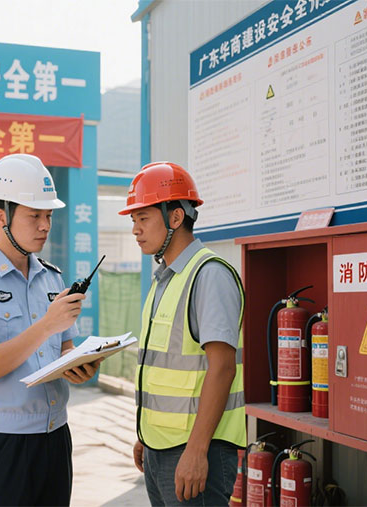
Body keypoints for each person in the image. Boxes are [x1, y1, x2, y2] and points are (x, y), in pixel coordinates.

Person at [0, 154, 99, 507]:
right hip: (1, 446)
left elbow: (63, 350)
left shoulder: (52, 276)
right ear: (2, 217)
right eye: (34, 215)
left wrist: (80, 365)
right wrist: (46, 325)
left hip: (55, 438)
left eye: (48, 215)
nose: (45, 225)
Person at [119, 162, 245, 506]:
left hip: (197, 453)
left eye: (143, 219)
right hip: (161, 450)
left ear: (176, 218)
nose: (135, 230)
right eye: (133, 220)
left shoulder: (209, 275)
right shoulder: (166, 279)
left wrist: (196, 450)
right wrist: (146, 435)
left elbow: (222, 368)